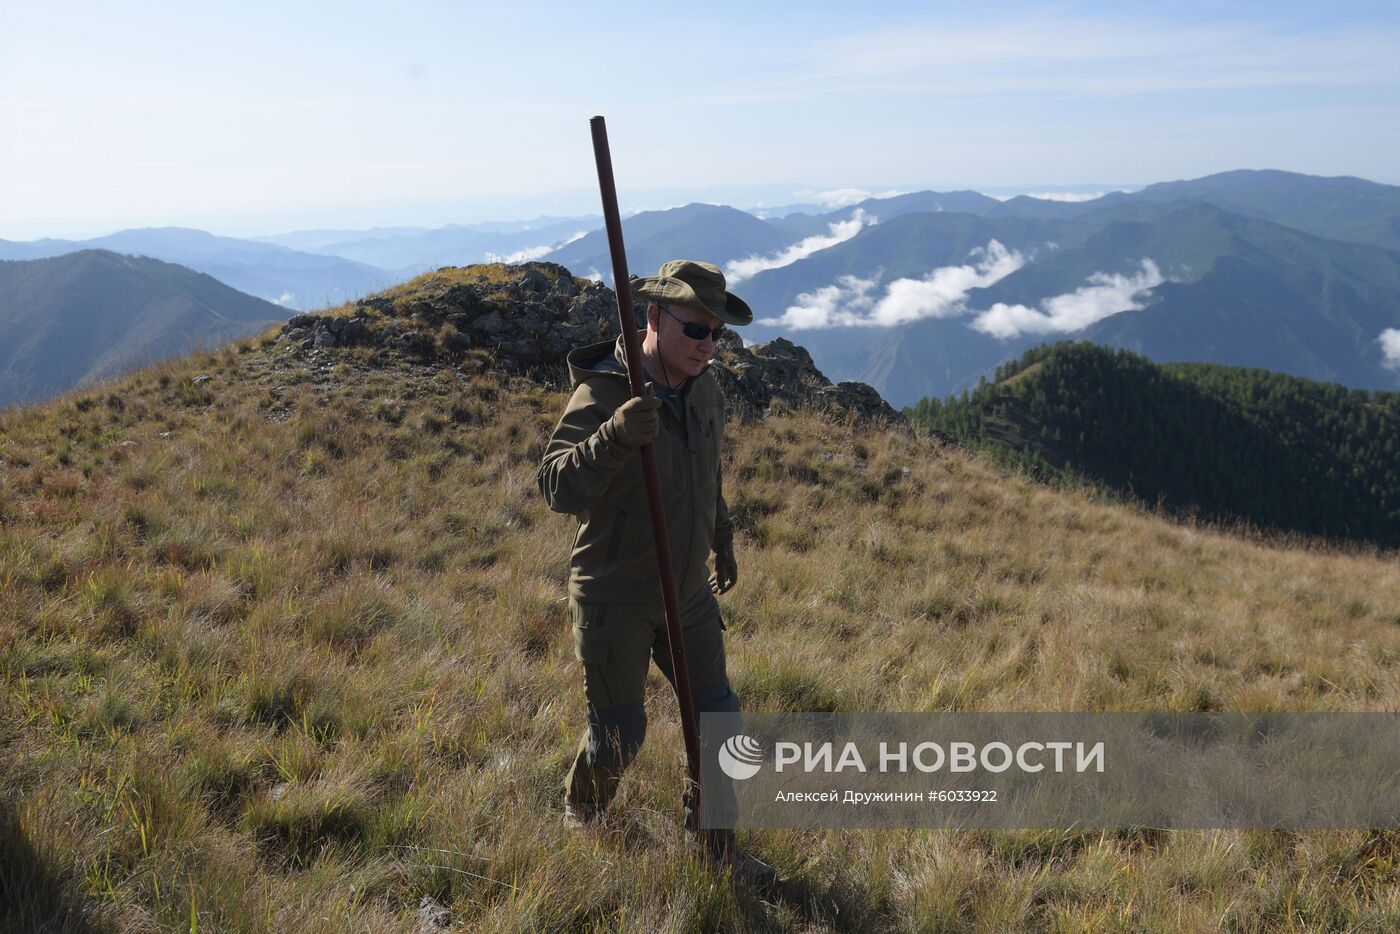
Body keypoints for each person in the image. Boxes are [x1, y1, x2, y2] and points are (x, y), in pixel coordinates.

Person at [536, 259, 776, 888]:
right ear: (652, 318)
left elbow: (708, 475)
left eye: (717, 334)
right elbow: (554, 487)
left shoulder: (705, 390)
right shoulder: (606, 393)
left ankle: (716, 850)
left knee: (720, 720)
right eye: (695, 330)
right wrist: (613, 437)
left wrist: (721, 538)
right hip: (614, 594)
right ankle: (582, 811)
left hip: (687, 594)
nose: (708, 345)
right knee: (619, 734)